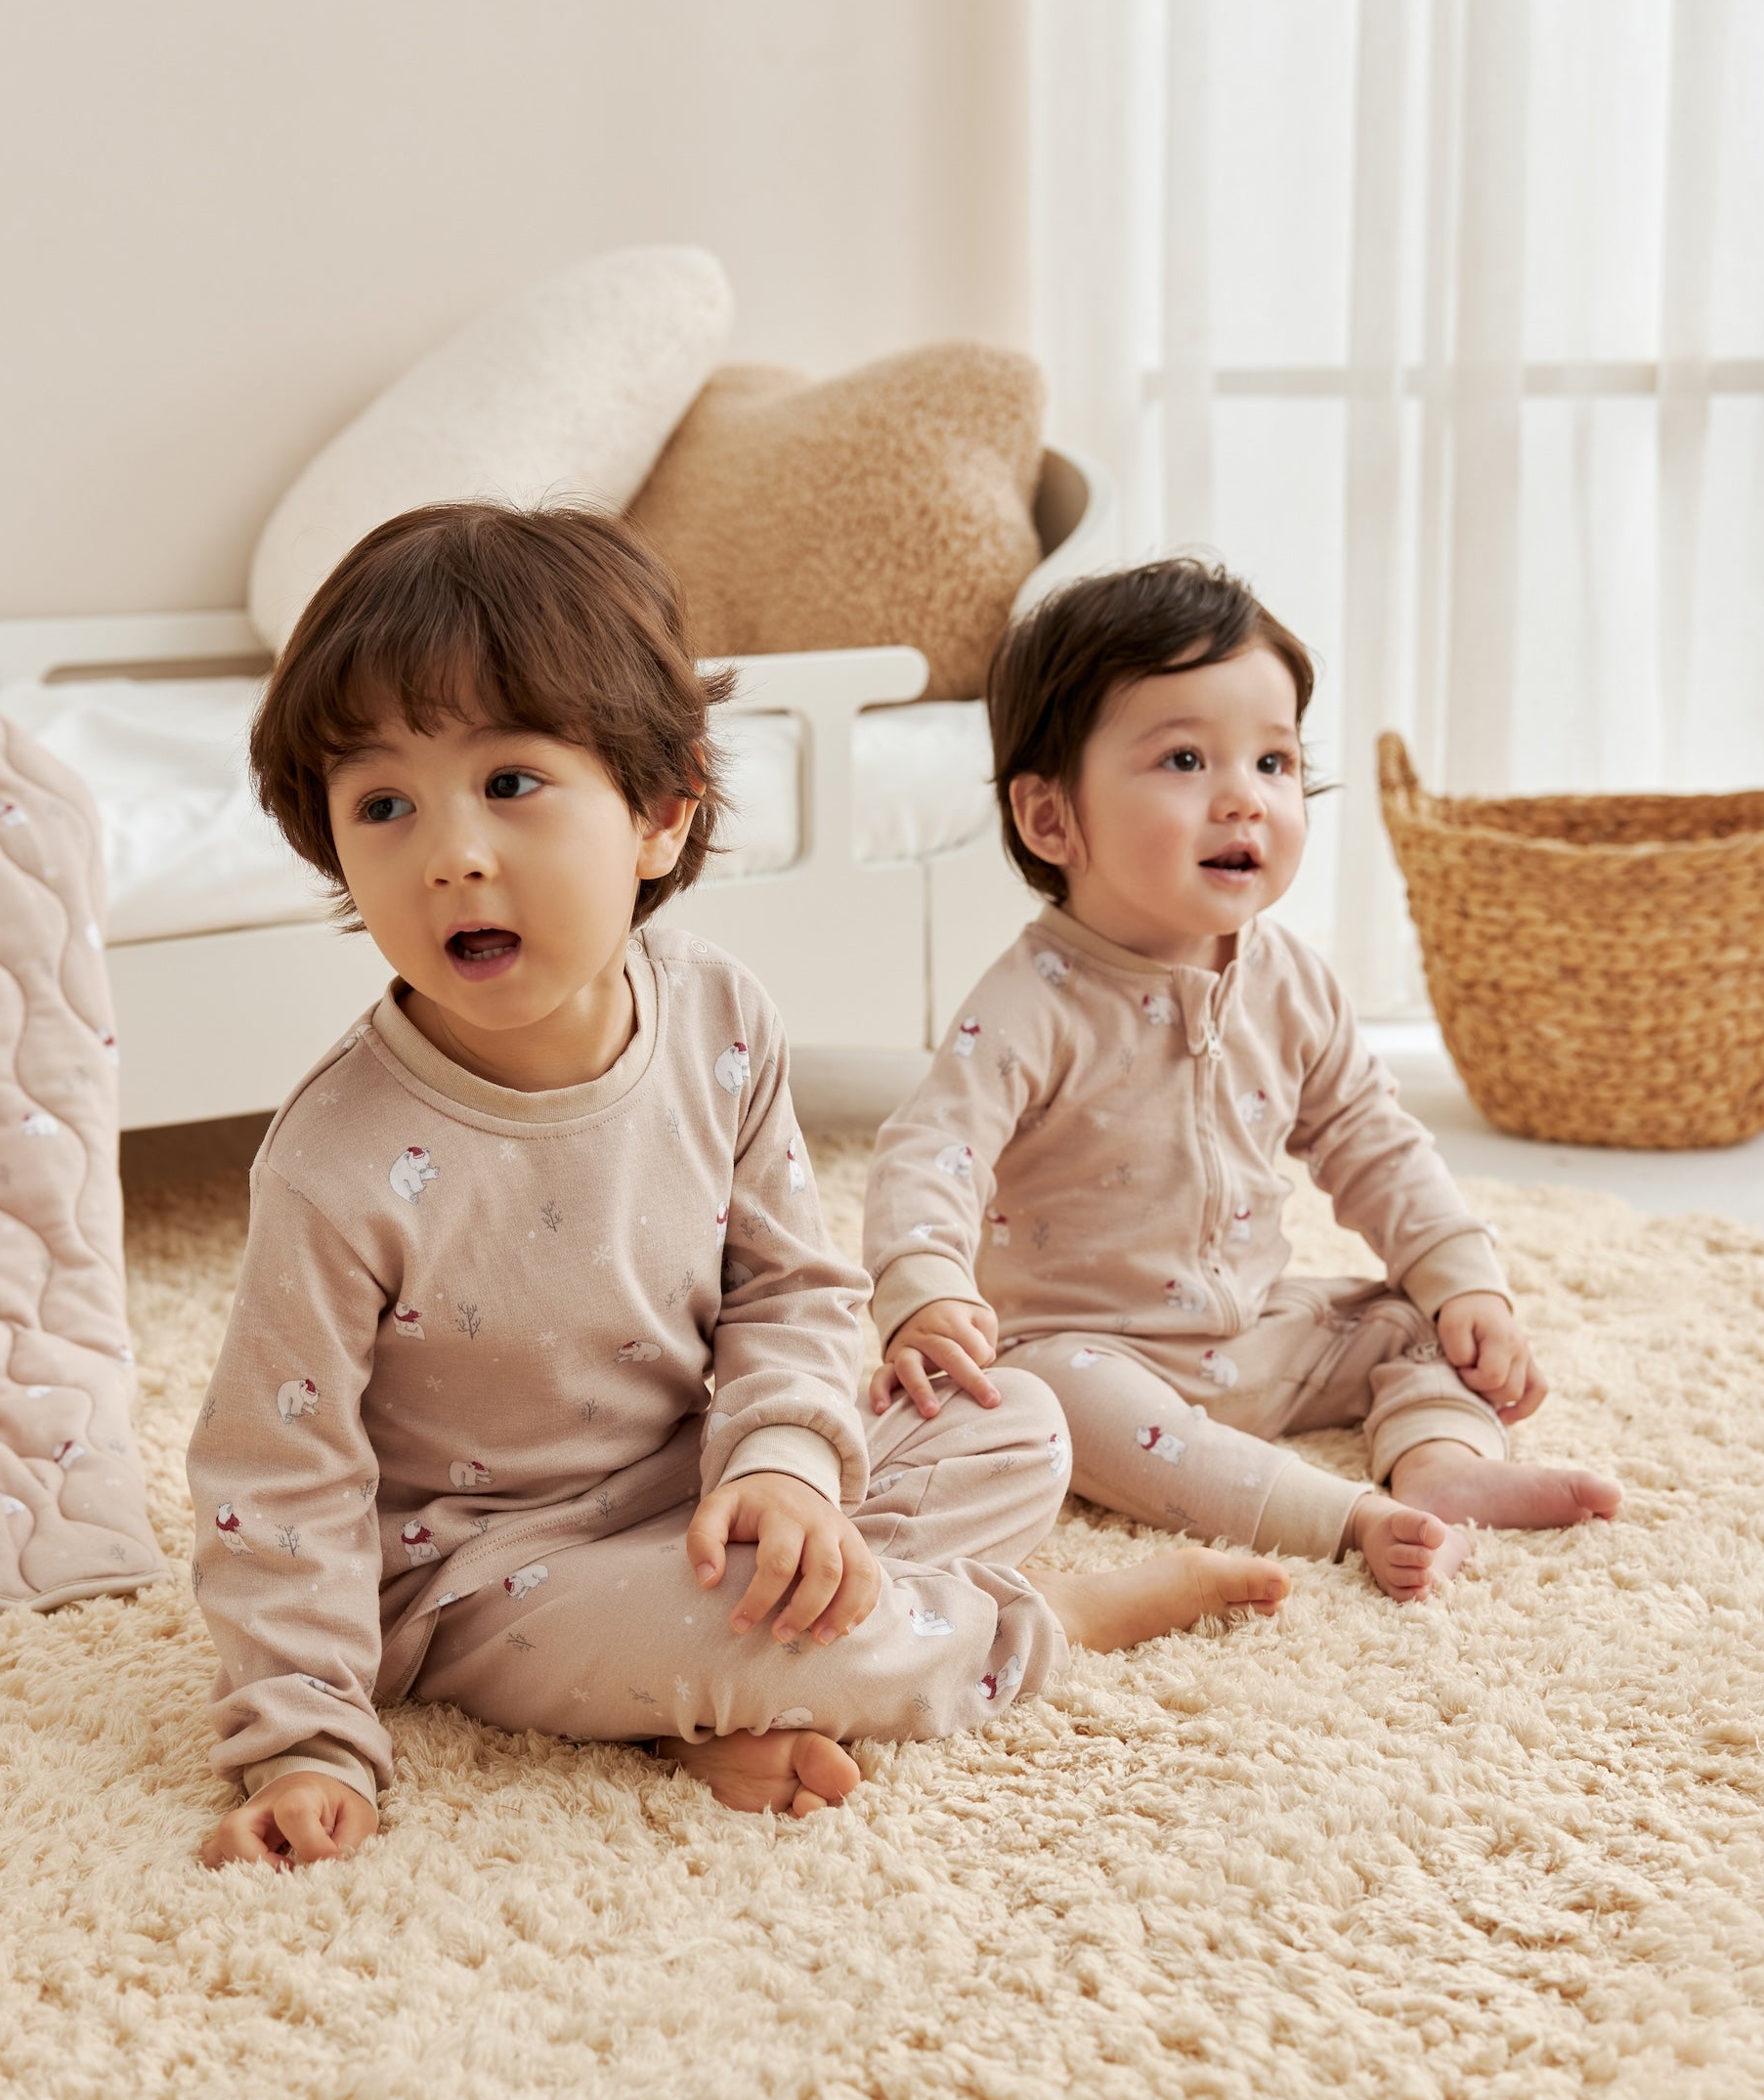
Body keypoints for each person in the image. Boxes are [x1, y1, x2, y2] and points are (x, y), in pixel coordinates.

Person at [193, 507, 1285, 1868]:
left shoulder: (719, 1014)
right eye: (383, 805)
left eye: (512, 781)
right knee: (730, 1627)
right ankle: (1038, 1618)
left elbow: (791, 1288)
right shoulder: (335, 1158)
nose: (450, 852)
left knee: (1014, 1423)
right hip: (482, 1576)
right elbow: (275, 1472)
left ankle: (705, 1690)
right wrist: (304, 1739)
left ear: (661, 813)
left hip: (706, 1480)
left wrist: (785, 1468)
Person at [862, 558, 1620, 1603]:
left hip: (1257, 1333)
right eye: (1184, 758)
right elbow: (929, 1151)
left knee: (1417, 1320)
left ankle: (1443, 1461)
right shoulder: (1031, 1002)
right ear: (1050, 819)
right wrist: (929, 1292)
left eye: (1274, 761)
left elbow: (1370, 1135)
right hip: (1093, 1353)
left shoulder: (1291, 978)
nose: (1244, 800)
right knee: (1036, 1394)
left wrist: (1464, 1278)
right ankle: (1340, 1516)